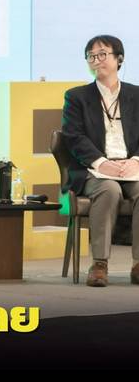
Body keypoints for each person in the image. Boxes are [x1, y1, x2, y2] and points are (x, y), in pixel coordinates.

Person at [62, 35, 139, 287]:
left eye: (102, 54)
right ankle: (99, 263)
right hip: (94, 170)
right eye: (91, 56)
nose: (96, 60)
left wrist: (136, 160)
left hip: (131, 167)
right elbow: (73, 137)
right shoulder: (77, 97)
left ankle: (138, 264)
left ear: (119, 59)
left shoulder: (136, 95)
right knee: (109, 189)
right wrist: (100, 162)